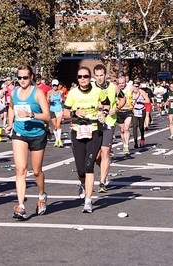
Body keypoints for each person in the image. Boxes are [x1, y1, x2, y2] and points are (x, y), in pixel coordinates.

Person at [4, 64, 50, 220]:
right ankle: (21, 205)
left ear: (31, 78)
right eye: (19, 77)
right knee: (21, 169)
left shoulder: (38, 94)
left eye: (25, 77)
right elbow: (11, 107)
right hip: (20, 133)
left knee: (36, 171)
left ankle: (42, 195)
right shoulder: (14, 93)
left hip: (37, 134)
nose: (22, 80)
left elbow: (47, 116)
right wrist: (10, 124)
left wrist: (32, 115)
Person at [63, 66, 110, 213]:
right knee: (81, 169)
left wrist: (104, 113)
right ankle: (83, 184)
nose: (82, 79)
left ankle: (88, 201)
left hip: (94, 130)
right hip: (78, 131)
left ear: (90, 78)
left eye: (85, 76)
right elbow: (64, 113)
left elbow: (107, 103)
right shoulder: (73, 93)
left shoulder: (98, 91)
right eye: (80, 77)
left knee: (89, 165)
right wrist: (75, 112)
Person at [92, 64, 125, 193]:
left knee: (106, 151)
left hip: (109, 123)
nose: (99, 78)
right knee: (96, 156)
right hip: (94, 123)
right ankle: (103, 169)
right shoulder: (91, 87)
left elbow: (122, 99)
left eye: (102, 75)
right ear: (94, 76)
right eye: (97, 76)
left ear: (105, 75)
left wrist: (116, 109)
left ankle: (102, 182)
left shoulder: (113, 87)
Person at [116, 76, 133, 154]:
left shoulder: (130, 88)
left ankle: (126, 145)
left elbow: (138, 92)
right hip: (119, 111)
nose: (121, 85)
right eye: (120, 83)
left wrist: (135, 100)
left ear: (125, 82)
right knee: (122, 130)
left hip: (128, 110)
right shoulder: (116, 90)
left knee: (126, 128)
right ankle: (124, 143)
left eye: (123, 83)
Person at [131, 80, 150, 148]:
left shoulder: (142, 92)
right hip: (134, 111)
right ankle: (135, 142)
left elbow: (148, 100)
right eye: (134, 86)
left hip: (142, 110)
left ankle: (142, 138)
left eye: (137, 87)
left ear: (139, 87)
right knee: (134, 126)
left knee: (141, 126)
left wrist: (140, 101)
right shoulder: (131, 92)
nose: (135, 88)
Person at [47, 79, 64, 147]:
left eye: (56, 85)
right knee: (54, 126)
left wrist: (62, 100)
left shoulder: (61, 92)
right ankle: (56, 139)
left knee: (58, 125)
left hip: (59, 109)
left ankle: (59, 139)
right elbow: (47, 100)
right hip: (52, 110)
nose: (55, 87)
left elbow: (63, 99)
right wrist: (49, 100)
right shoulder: (49, 92)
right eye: (53, 86)